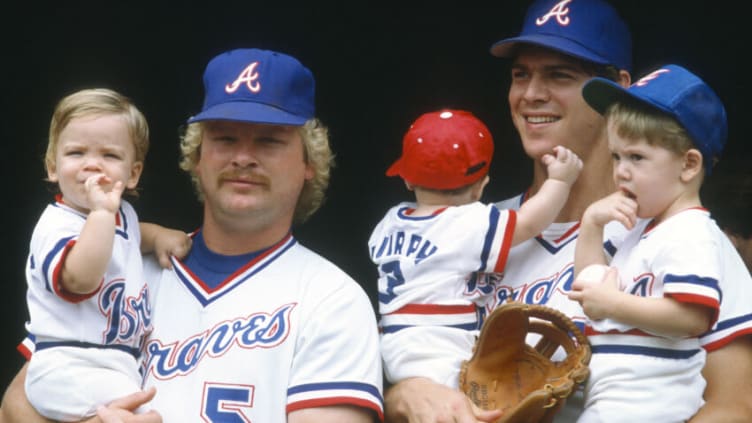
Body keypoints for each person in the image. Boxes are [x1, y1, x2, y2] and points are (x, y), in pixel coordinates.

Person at [383, 1, 752, 422]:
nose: (531, 93)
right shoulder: (472, 227)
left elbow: (733, 406)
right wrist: (406, 394)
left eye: (560, 74)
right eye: (521, 74)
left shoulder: (686, 235)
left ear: (621, 89)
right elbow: (405, 354)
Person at [2, 48, 384, 422]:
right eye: (225, 138)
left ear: (309, 164)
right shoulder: (122, 258)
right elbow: (13, 407)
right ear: (197, 158)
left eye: (269, 140)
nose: (243, 157)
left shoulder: (332, 299)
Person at [570, 64, 748, 422]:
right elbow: (588, 286)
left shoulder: (692, 232)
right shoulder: (636, 232)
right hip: (609, 403)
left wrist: (614, 303)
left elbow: (692, 317)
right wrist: (591, 223)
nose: (621, 170)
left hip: (648, 409)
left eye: (637, 157)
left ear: (688, 165)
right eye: (617, 156)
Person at [370, 108, 581, 389]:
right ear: (481, 188)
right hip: (442, 346)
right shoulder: (466, 222)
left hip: (393, 346)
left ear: (407, 179)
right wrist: (560, 181)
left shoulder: (391, 220)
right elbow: (530, 223)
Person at [21, 88, 191, 421]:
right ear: (52, 166)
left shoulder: (121, 214)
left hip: (109, 364)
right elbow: (80, 278)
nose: (92, 164)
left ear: (133, 173)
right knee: (151, 415)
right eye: (76, 152)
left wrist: (158, 236)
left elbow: (132, 235)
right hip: (67, 365)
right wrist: (101, 214)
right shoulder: (56, 224)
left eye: (110, 156)